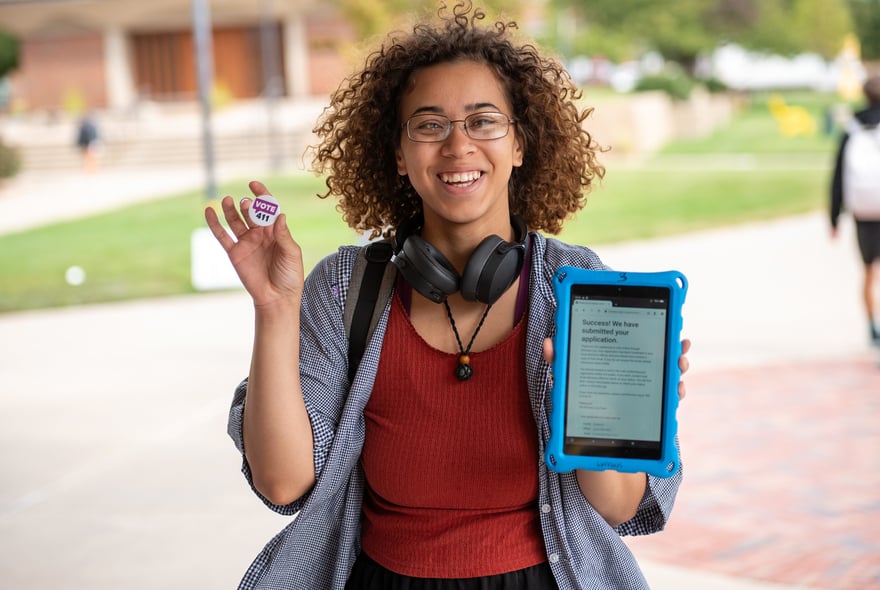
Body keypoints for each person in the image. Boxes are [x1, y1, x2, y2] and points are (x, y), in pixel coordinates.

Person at [205, 3, 691, 588]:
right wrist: (275, 307)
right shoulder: (347, 287)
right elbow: (283, 483)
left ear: (519, 145)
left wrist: (606, 412)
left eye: (484, 121)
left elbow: (616, 507)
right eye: (430, 125)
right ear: (400, 155)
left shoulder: (578, 288)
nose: (458, 146)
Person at [830, 75, 880, 345]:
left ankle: (873, 325)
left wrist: (834, 216)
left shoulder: (853, 127)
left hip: (863, 211)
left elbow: (838, 175)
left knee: (869, 272)